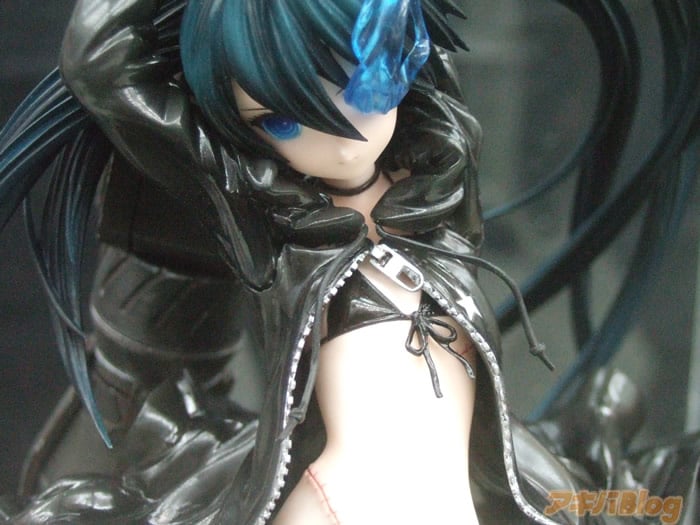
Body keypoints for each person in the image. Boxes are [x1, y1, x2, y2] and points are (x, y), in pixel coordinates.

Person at [1, 0, 699, 524]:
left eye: (364, 90)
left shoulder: (437, 170)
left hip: (471, 471)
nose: (338, 143)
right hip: (342, 498)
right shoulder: (262, 205)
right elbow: (100, 58)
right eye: (280, 120)